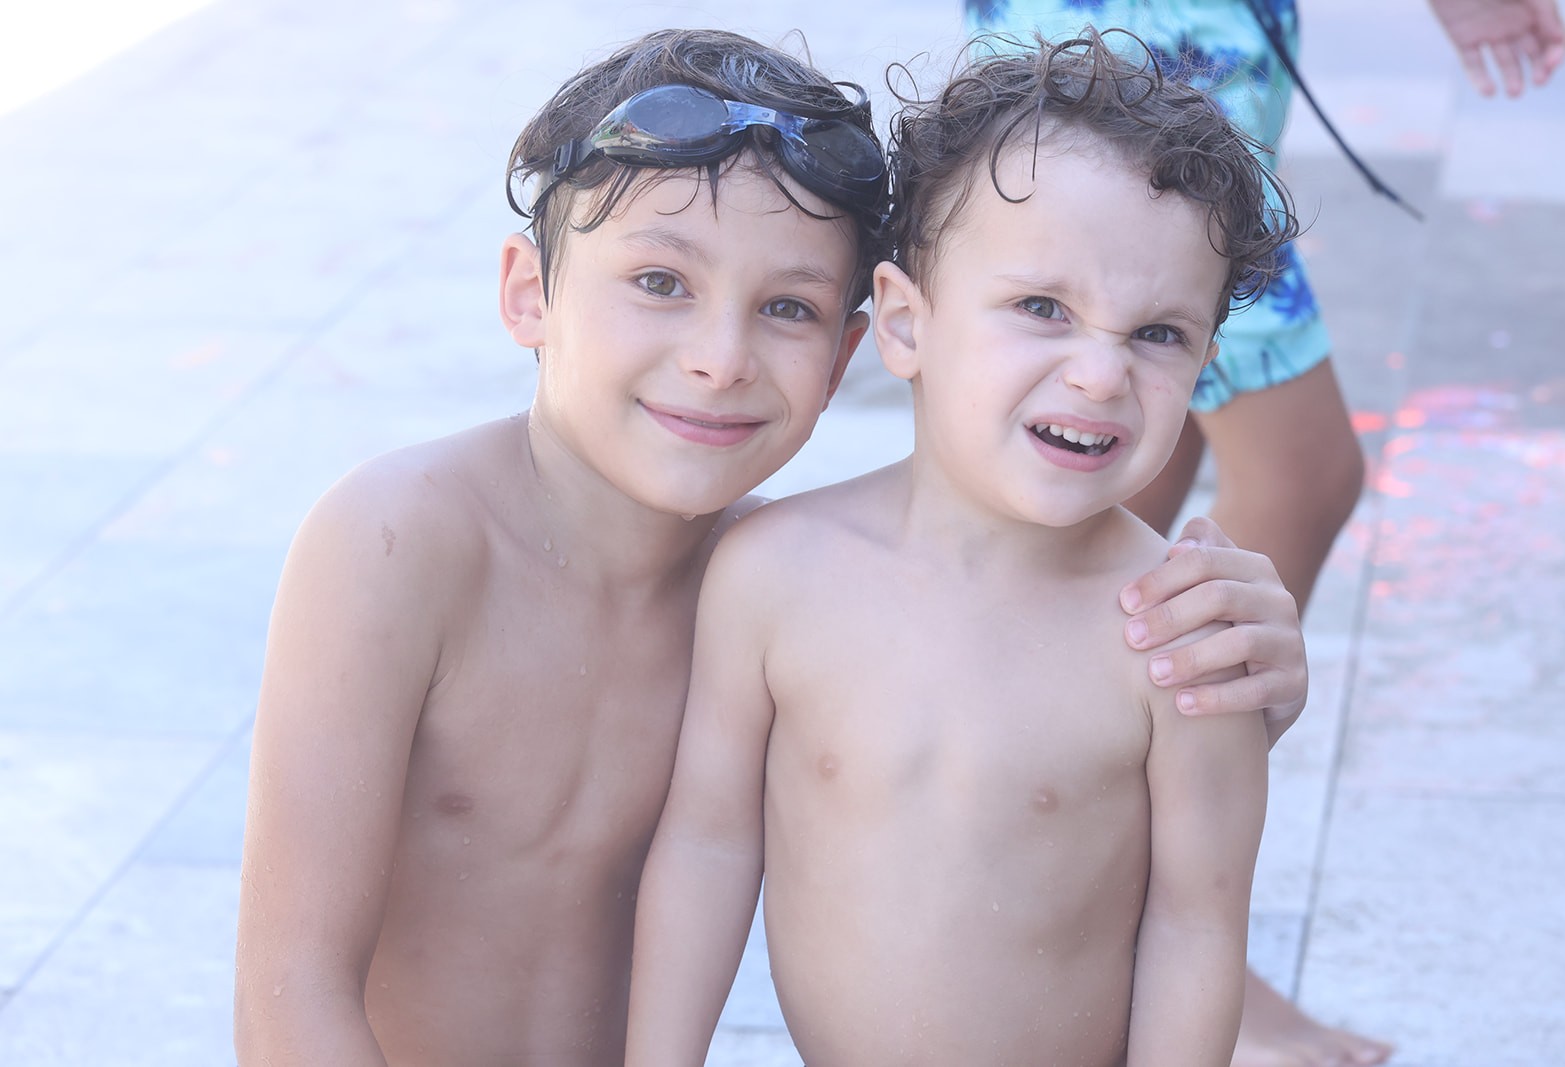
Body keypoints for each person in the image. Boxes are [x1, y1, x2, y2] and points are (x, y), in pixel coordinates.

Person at [231, 26, 1311, 1067]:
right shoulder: (400, 543)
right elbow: (288, 988)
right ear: (529, 292)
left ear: (848, 352)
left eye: (788, 307)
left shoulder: (773, 573)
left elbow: (1046, 747)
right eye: (660, 281)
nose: (719, 358)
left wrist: (1257, 663)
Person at [626, 29, 1303, 1067]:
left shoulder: (1174, 635)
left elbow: (1196, 927)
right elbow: (707, 844)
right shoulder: (773, 574)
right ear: (905, 324)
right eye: (1042, 307)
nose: (1100, 375)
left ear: (1204, 362)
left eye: (1157, 334)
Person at [951, 4, 1565, 1066]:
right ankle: (1116, 893)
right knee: (1287, 462)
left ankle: (1079, 878)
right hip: (1137, 30)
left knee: (1116, 477)